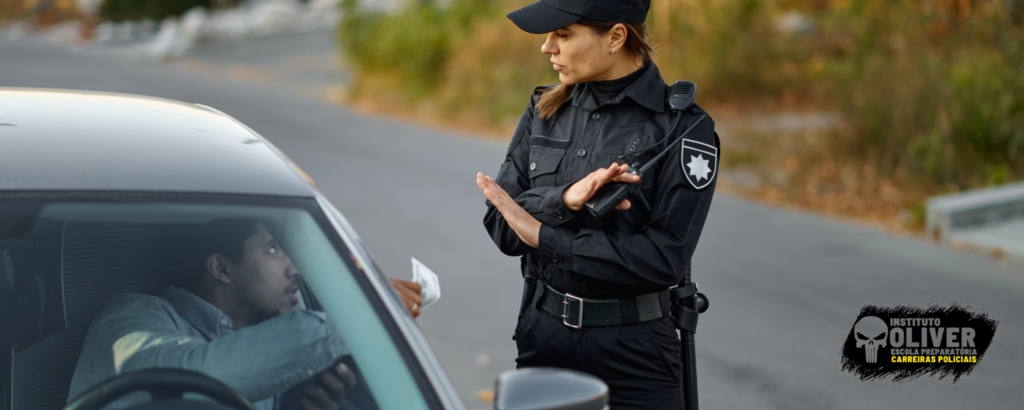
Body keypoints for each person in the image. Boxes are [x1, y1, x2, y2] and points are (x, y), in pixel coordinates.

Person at [476, 0, 719, 408]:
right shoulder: (543, 111)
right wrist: (565, 200)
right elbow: (502, 224)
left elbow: (663, 258)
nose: (546, 47)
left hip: (636, 360)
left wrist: (543, 235)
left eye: (564, 34)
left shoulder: (683, 129)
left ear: (616, 37)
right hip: (544, 345)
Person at [67, 219, 423, 410]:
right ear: (221, 268)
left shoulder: (266, 343)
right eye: (273, 249)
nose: (295, 268)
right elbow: (192, 377)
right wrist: (358, 319)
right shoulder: (129, 317)